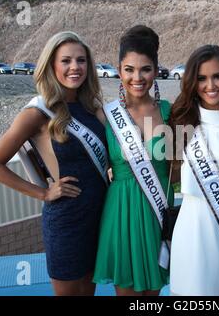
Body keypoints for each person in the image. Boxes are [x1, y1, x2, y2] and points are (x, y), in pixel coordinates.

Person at [0, 31, 109, 296]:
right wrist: (43, 193)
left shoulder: (92, 108)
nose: (75, 67)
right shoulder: (38, 112)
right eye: (66, 61)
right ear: (51, 65)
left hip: (99, 217)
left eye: (81, 60)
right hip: (67, 222)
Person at [92, 25, 174, 296]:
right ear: (119, 70)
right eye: (129, 69)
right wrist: (47, 183)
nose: (137, 77)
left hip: (158, 212)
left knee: (154, 295)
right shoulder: (105, 115)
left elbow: (191, 162)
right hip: (122, 213)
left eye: (145, 69)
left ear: (156, 69)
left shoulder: (170, 113)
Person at [168, 44, 219, 296]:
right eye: (201, 78)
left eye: (217, 76)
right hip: (192, 232)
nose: (210, 85)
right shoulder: (180, 121)